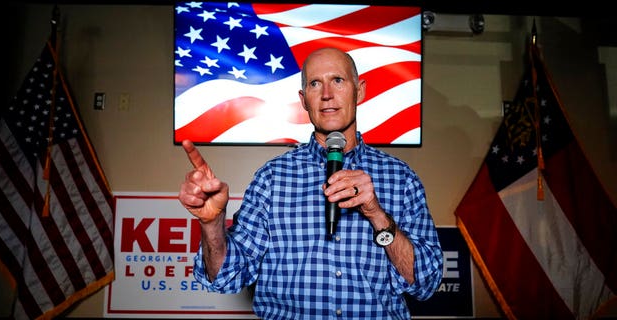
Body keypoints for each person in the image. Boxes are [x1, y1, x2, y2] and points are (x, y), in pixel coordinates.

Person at [179, 47, 443, 319]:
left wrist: (376, 214)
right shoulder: (272, 178)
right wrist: (212, 225)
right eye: (315, 84)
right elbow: (226, 277)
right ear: (304, 100)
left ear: (359, 91)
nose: (327, 94)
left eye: (338, 80)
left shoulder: (400, 178)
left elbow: (426, 283)